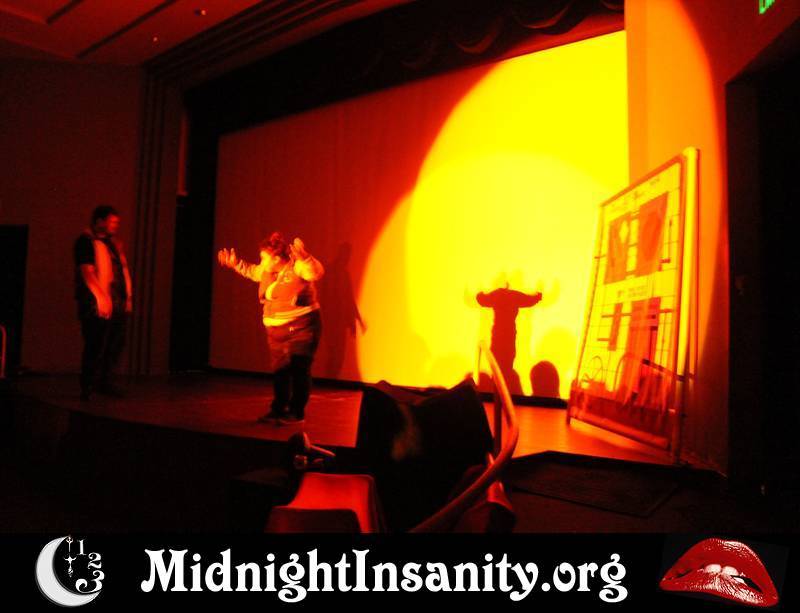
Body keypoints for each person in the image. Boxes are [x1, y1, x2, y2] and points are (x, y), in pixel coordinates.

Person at [218, 232, 324, 425]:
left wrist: (305, 257)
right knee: (280, 372)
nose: (262, 262)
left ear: (276, 259)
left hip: (302, 328)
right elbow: (252, 271)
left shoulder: (297, 266)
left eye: (264, 258)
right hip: (276, 333)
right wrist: (235, 264)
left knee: (299, 369)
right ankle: (278, 410)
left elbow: (315, 272)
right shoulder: (267, 270)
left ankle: (296, 412)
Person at [74, 205, 132, 400]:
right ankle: (88, 386)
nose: (115, 226)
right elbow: (87, 272)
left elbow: (122, 271)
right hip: (96, 304)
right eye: (111, 222)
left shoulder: (112, 244)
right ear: (99, 221)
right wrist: (100, 297)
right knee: (96, 345)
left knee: (113, 346)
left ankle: (105, 383)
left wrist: (126, 299)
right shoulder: (86, 242)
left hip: (116, 302)